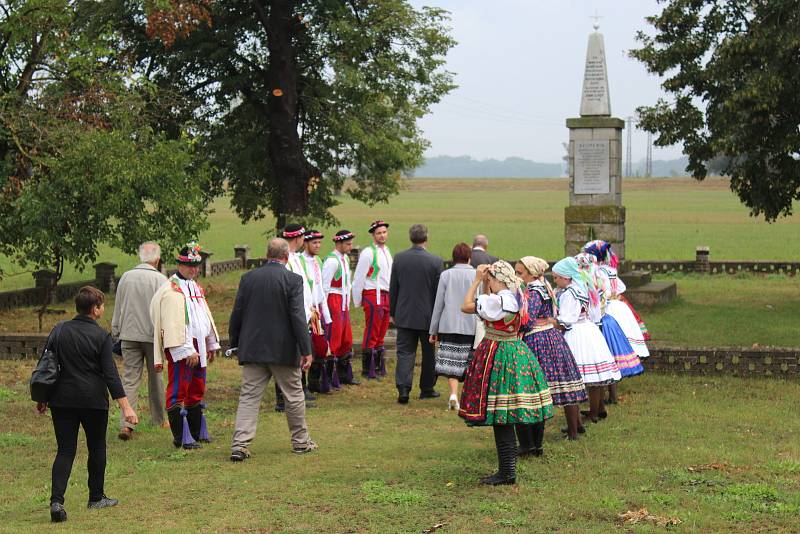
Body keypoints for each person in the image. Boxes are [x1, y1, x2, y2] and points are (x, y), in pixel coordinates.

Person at [38, 286, 138, 523]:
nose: (103, 309)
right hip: (93, 401)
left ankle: (56, 501)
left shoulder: (59, 330)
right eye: (102, 305)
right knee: (97, 447)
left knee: (65, 450)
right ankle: (96, 496)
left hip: (61, 400)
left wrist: (43, 397)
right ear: (95, 309)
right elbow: (111, 374)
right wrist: (126, 407)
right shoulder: (101, 337)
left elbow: (46, 365)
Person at [459, 262, 554, 485]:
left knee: (501, 416)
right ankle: (507, 469)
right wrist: (486, 283)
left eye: (490, 280)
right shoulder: (517, 296)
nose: (488, 283)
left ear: (496, 279)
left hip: (498, 354)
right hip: (516, 351)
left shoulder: (497, 300)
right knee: (507, 414)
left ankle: (507, 472)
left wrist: (476, 281)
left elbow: (466, 306)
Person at [229, 238, 317, 460]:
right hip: (283, 349)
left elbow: (237, 313)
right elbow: (298, 317)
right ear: (286, 258)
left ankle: (240, 444)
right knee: (294, 395)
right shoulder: (292, 280)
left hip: (254, 347)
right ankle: (300, 442)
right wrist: (306, 349)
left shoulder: (248, 278)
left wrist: (235, 343)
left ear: (267, 255)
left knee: (249, 397)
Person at [150, 241, 220, 449]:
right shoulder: (171, 290)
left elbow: (202, 317)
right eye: (190, 265)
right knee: (178, 389)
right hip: (181, 348)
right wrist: (186, 348)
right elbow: (174, 323)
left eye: (196, 265)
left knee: (197, 388)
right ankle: (181, 436)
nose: (194, 269)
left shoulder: (195, 287)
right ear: (179, 265)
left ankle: (197, 431)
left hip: (198, 346)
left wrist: (210, 343)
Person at [515, 257, 587, 444]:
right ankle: (574, 428)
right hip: (551, 337)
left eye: (520, 273)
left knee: (540, 384)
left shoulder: (535, 291)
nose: (517, 276)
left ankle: (544, 435)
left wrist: (513, 324)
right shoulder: (542, 286)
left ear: (531, 274)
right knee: (564, 381)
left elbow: (528, 320)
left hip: (539, 338)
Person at [551, 257, 620, 425]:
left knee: (580, 376)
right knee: (594, 377)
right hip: (588, 330)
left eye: (556, 277)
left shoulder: (570, 293)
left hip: (576, 333)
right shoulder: (582, 287)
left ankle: (592, 413)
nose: (555, 280)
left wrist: (551, 322)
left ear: (567, 277)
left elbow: (567, 319)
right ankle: (597, 410)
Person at [111, 241, 168, 441]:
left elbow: (118, 307)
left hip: (128, 334)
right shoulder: (161, 280)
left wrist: (116, 331)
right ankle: (160, 418)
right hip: (152, 337)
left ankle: (127, 423)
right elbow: (165, 312)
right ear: (157, 259)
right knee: (156, 378)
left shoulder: (126, 277)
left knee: (130, 379)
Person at [576, 252, 642, 408]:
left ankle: (599, 401)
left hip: (596, 324)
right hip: (607, 320)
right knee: (609, 359)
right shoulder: (600, 275)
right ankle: (609, 396)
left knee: (598, 360)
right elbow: (614, 291)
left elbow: (592, 307)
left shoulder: (584, 280)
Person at [390, 224, 444, 403]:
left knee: (405, 352)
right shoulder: (435, 261)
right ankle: (427, 387)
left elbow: (394, 288)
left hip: (404, 314)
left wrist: (393, 312)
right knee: (429, 353)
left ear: (410, 237)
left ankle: (403, 389)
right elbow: (438, 293)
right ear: (426, 238)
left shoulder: (399, 259)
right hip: (427, 316)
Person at [428, 243, 477, 410]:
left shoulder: (446, 275)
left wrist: (433, 330)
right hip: (471, 326)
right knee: (469, 362)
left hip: (448, 325)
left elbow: (438, 304)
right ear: (469, 257)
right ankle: (466, 396)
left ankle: (453, 394)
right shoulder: (476, 275)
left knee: (451, 362)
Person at [582, 240, 650, 360]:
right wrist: (614, 294)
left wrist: (604, 295)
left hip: (607, 305)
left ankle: (611, 354)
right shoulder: (611, 270)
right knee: (624, 329)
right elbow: (621, 287)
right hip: (618, 303)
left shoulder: (597, 271)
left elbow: (600, 289)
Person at [276, 223, 316, 409]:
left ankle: (300, 390)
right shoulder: (288, 260)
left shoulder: (296, 258)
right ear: (298, 238)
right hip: (292, 312)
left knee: (300, 352)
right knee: (288, 355)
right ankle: (283, 398)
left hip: (303, 311)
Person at [352, 219, 393, 379]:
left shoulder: (387, 251)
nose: (382, 235)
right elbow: (359, 277)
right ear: (373, 235)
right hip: (372, 293)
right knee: (372, 331)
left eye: (384, 232)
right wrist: (358, 300)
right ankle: (367, 368)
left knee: (382, 330)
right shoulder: (369, 252)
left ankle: (377, 366)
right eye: (379, 233)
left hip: (386, 294)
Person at [321, 230, 360, 387]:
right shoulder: (332, 261)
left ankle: (344, 374)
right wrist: (325, 309)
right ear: (339, 243)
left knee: (346, 339)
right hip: (333, 300)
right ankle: (329, 377)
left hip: (343, 302)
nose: (351, 247)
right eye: (348, 244)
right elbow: (324, 286)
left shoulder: (343, 259)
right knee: (334, 339)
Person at [302, 229, 334, 394]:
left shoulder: (317, 262)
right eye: (314, 242)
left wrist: (327, 317)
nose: (318, 245)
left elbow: (320, 290)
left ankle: (316, 382)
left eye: (320, 242)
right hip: (306, 310)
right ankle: (302, 385)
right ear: (305, 243)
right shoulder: (300, 261)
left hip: (318, 310)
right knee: (306, 348)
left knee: (321, 348)